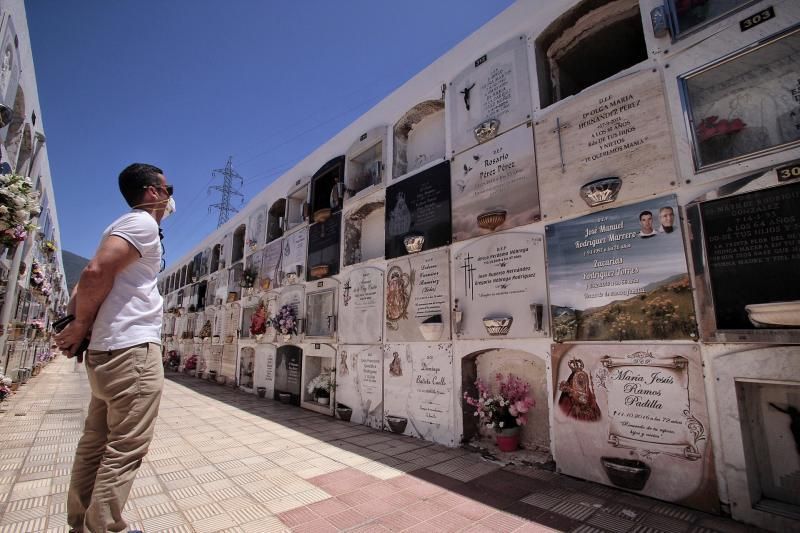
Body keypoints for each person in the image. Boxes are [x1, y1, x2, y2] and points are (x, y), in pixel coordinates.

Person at [56, 163, 174, 533]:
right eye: (169, 187)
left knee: (96, 442)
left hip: (108, 351)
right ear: (153, 192)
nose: (173, 197)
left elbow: (84, 281)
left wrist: (80, 324)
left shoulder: (121, 228)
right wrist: (78, 325)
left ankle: (80, 523)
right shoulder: (141, 223)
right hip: (131, 350)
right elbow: (93, 274)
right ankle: (105, 527)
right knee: (126, 446)